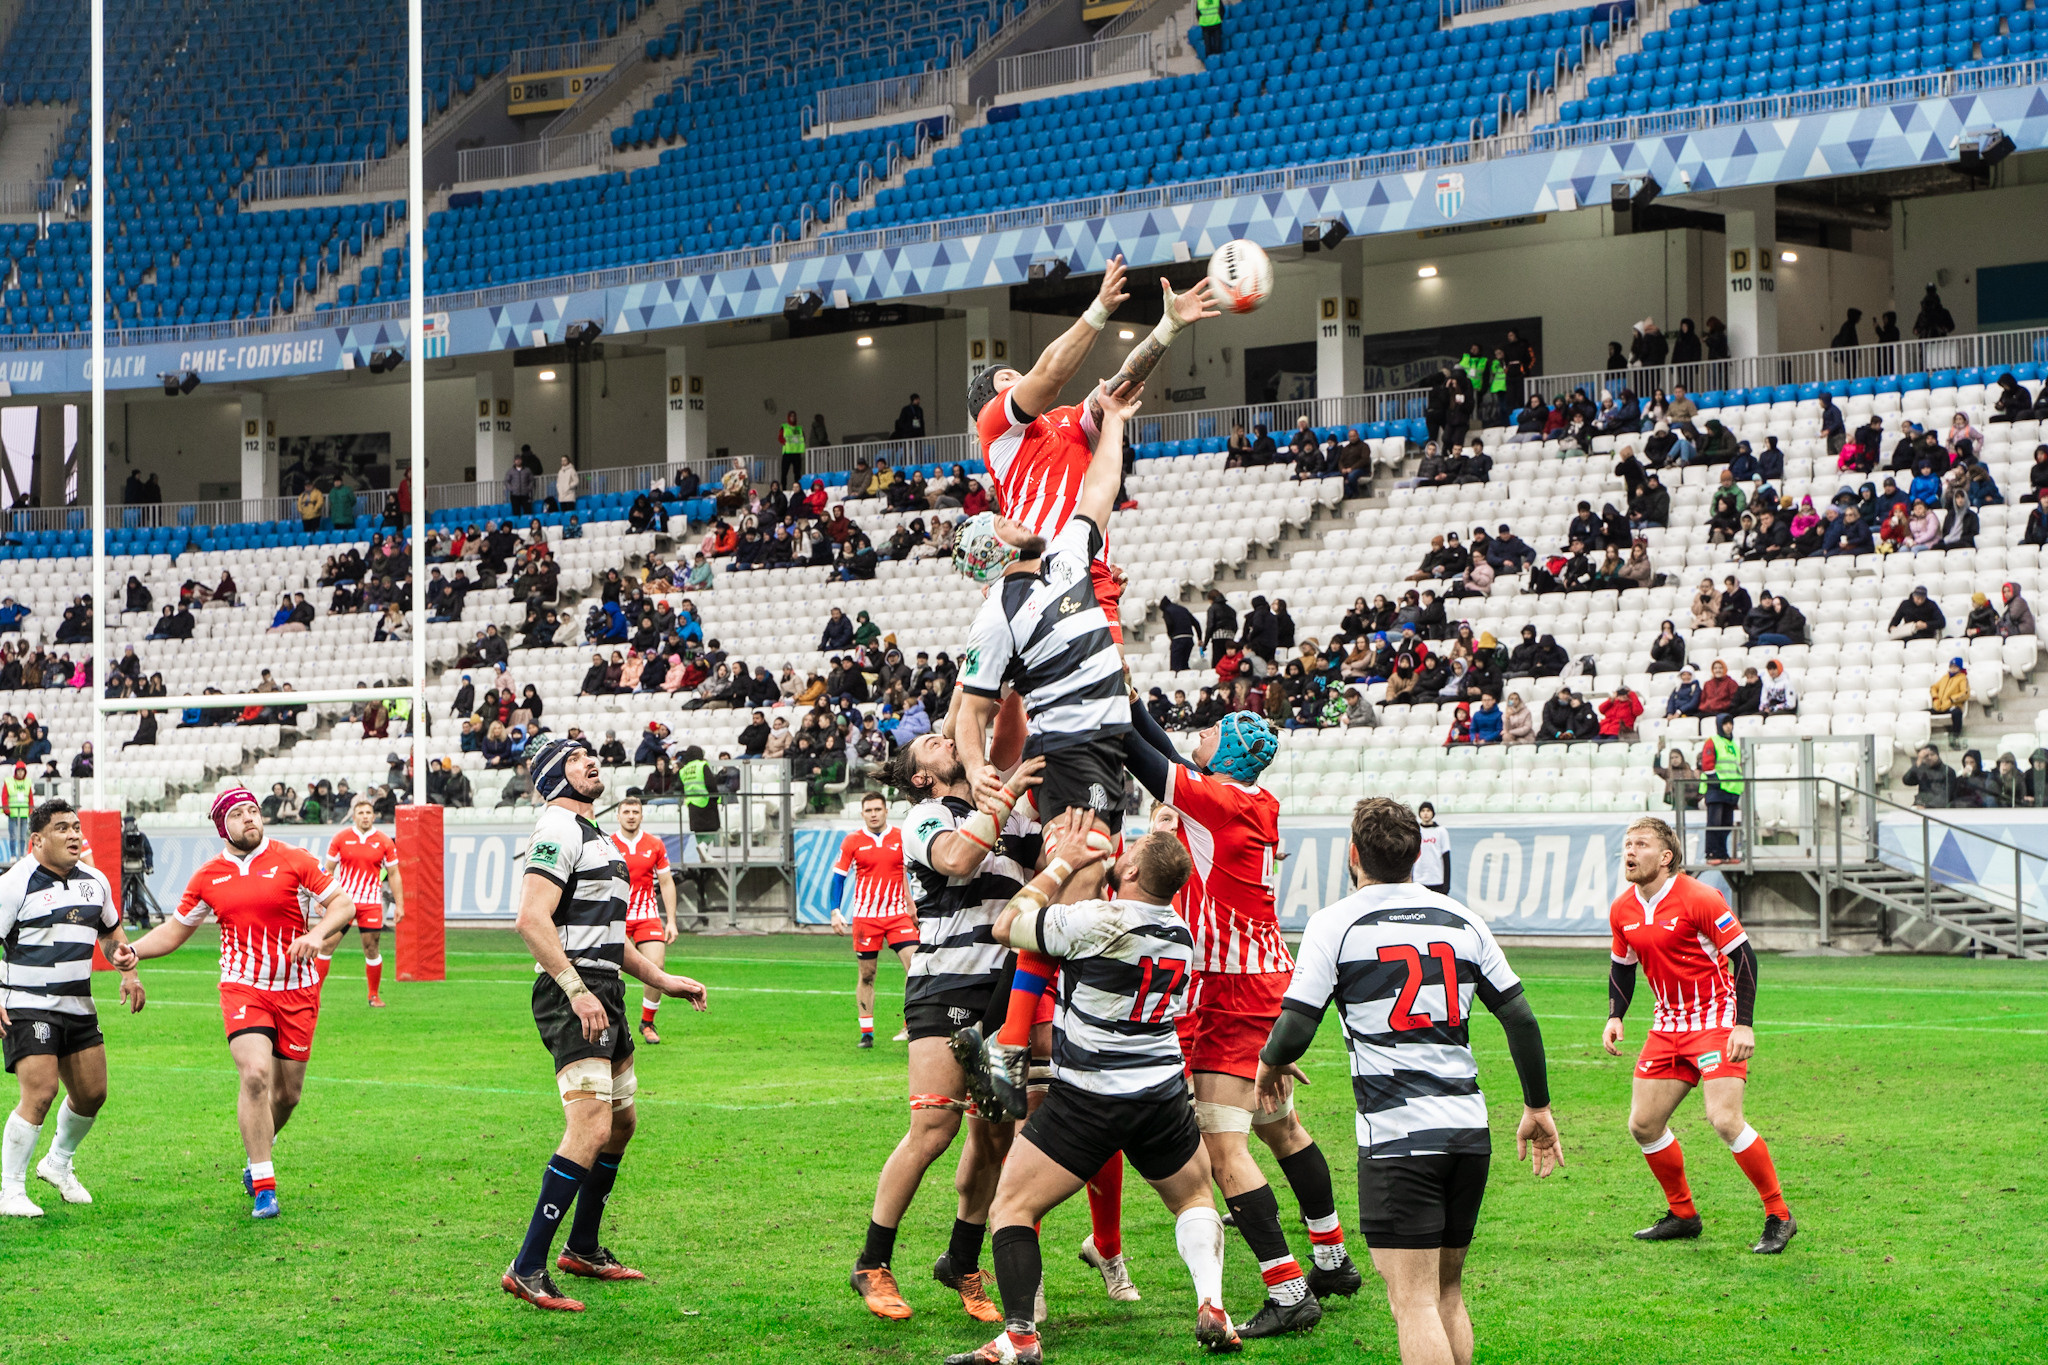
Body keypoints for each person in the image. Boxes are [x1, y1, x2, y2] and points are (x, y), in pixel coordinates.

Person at [1256, 797, 1561, 1365]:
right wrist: (1537, 1106)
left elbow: (1296, 1025)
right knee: (1447, 1292)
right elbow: (1520, 1017)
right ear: (1420, 854)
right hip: (1468, 1132)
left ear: (1353, 855)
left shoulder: (1335, 922)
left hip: (1399, 1138)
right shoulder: (1462, 918)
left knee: (1413, 1301)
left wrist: (1270, 1062)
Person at [943, 820, 1241, 1363]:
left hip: (1091, 1094)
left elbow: (1008, 925)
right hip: (1162, 1093)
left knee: (1011, 1205)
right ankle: (1212, 1303)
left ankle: (1020, 1339)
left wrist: (1062, 864)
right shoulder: (1181, 931)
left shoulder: (1098, 919)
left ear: (1128, 870)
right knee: (1195, 1199)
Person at [500, 738, 708, 1311]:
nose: (592, 763)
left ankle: (583, 1247)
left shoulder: (598, 837)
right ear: (551, 777)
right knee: (590, 1128)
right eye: (574, 758)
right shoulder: (557, 829)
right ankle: (527, 1266)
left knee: (621, 1124)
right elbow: (530, 919)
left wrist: (664, 981)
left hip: (605, 988)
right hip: (574, 993)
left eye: (591, 756)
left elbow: (609, 940)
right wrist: (575, 990)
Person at [851, 731, 1033, 1325]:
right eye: (933, 743)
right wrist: (1003, 799)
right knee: (933, 1127)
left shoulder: (998, 813)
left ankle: (961, 1259)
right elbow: (956, 859)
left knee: (994, 1137)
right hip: (943, 988)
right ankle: (871, 1262)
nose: (948, 737)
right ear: (922, 776)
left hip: (1004, 994)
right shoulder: (926, 815)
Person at [126, 786, 360, 1219]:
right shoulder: (207, 876)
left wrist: (314, 934)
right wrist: (134, 950)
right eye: (239, 813)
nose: (250, 818)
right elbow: (175, 931)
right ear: (223, 827)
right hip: (243, 986)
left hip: (297, 988)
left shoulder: (295, 859)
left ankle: (259, 1150)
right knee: (254, 1074)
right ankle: (264, 1183)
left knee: (287, 1095)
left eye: (254, 810)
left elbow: (343, 905)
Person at [970, 256, 1217, 647]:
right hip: (1035, 567)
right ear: (987, 398)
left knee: (1116, 683)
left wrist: (1168, 328)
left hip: (1090, 568)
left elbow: (1120, 387)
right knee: (1008, 703)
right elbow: (1049, 375)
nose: (1017, 375)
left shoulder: (1066, 420)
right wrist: (1099, 308)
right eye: (1005, 377)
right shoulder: (994, 424)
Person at [953, 383, 1144, 885]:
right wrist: (977, 771)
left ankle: (1044, 946)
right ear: (994, 552)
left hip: (1104, 742)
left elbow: (1100, 489)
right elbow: (970, 713)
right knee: (1081, 879)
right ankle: (1025, 939)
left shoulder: (1065, 555)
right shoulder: (995, 616)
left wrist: (1116, 420)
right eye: (1003, 525)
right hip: (1069, 747)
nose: (1014, 521)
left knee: (1097, 875)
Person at [1605, 817, 1795, 1254]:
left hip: (1716, 1022)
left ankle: (1779, 1215)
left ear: (1666, 857)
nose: (1629, 853)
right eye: (1627, 845)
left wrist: (1743, 1023)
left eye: (1641, 845)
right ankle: (1684, 1215)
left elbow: (1744, 959)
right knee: (1643, 1124)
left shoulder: (1699, 897)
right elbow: (1622, 965)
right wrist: (1616, 1016)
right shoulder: (1622, 909)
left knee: (1724, 1119)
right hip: (1666, 1027)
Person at [0, 801, 143, 1217]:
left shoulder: (95, 882)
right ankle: (10, 1190)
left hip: (78, 1004)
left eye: (77, 827)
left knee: (92, 1094)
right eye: (62, 828)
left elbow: (112, 933)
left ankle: (57, 1163)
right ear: (37, 840)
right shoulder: (14, 884)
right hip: (27, 1005)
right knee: (41, 1092)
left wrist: (126, 968)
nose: (75, 835)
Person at [830, 792, 918, 1050]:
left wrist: (911, 904)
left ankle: (910, 1024)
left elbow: (904, 873)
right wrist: (835, 911)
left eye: (877, 809)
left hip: (898, 914)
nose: (873, 814)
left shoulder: (901, 838)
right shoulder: (853, 841)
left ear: (886, 810)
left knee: (916, 967)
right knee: (867, 975)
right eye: (869, 810)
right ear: (862, 813)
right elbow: (839, 877)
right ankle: (866, 1033)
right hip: (866, 918)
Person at [317, 797, 404, 1009]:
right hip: (343, 902)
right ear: (354, 816)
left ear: (373, 816)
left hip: (371, 902)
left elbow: (393, 873)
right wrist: (321, 898)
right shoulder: (341, 838)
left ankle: (374, 995)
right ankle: (313, 996)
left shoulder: (384, 841)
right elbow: (327, 870)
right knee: (327, 944)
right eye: (361, 813)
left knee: (371, 948)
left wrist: (399, 904)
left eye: (368, 813)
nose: (365, 816)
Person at [609, 791, 679, 1047]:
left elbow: (666, 882)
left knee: (656, 966)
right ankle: (612, 1022)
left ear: (641, 815)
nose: (630, 816)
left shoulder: (655, 844)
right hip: (616, 915)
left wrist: (671, 920)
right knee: (609, 972)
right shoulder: (607, 843)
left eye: (635, 812)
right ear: (618, 816)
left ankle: (647, 1022)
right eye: (626, 812)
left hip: (647, 914)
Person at [1700, 717, 1743, 865]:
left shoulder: (1734, 745)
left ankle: (1723, 853)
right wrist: (1716, 782)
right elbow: (1707, 764)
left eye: (1731, 723)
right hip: (1716, 789)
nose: (1729, 727)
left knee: (1726, 823)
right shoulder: (1713, 741)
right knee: (1715, 822)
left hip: (1731, 790)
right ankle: (1711, 853)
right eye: (1725, 724)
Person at [1930, 658, 1970, 747]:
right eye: (1951, 667)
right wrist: (1935, 698)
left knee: (1957, 713)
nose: (1953, 669)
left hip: (1953, 705)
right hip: (1940, 706)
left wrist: (1952, 699)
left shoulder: (1962, 678)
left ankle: (1955, 736)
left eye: (1955, 667)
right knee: (1924, 713)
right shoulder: (1945, 677)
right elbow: (1934, 687)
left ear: (1959, 668)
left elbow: (1965, 693)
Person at [1414, 801, 1450, 896]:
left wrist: (1446, 885)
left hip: (1437, 880)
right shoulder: (1416, 831)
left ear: (1433, 813)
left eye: (1428, 810)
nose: (1425, 813)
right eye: (1423, 811)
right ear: (1419, 813)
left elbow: (1446, 858)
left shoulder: (1441, 831)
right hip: (1419, 880)